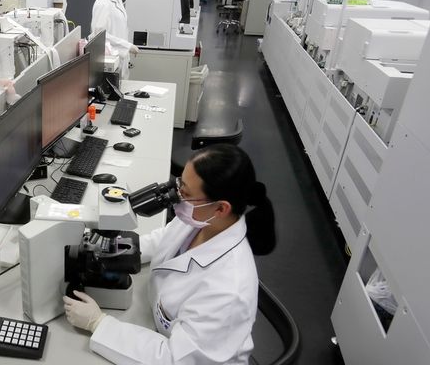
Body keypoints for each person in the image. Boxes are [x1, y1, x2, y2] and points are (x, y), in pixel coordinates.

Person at [63, 144, 275, 365]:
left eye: (185, 193)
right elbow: (163, 238)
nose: (176, 197)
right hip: (154, 324)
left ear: (220, 208)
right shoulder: (206, 220)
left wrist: (98, 324)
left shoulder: (228, 291)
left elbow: (174, 359)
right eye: (178, 185)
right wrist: (111, 248)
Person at [91, 0, 138, 80]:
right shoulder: (103, 3)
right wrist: (127, 46)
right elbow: (99, 36)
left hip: (119, 57)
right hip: (110, 60)